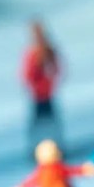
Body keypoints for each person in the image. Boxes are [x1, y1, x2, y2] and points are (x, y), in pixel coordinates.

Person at [21, 20, 63, 158]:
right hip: (41, 93)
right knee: (47, 123)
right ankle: (50, 149)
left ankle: (44, 150)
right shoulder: (40, 52)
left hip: (42, 93)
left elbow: (27, 74)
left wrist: (45, 83)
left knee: (41, 124)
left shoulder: (40, 52)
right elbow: (28, 75)